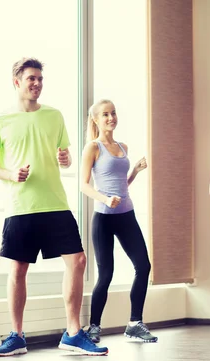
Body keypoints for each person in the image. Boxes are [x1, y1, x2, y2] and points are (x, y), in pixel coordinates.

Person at [0, 58, 108, 356]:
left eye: (40, 78)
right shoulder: (1, 121)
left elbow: (64, 156)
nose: (37, 83)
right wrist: (10, 174)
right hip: (20, 205)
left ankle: (74, 333)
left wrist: (65, 159)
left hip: (55, 202)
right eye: (31, 79)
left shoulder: (54, 116)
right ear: (17, 82)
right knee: (18, 269)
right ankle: (16, 335)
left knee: (77, 261)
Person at [80, 99, 157, 343]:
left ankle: (135, 323)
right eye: (105, 114)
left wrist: (134, 171)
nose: (111, 117)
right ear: (96, 119)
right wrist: (105, 198)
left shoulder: (122, 147)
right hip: (103, 218)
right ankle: (94, 327)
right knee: (106, 275)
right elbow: (83, 185)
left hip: (126, 215)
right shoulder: (93, 147)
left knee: (143, 266)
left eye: (113, 113)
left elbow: (121, 185)